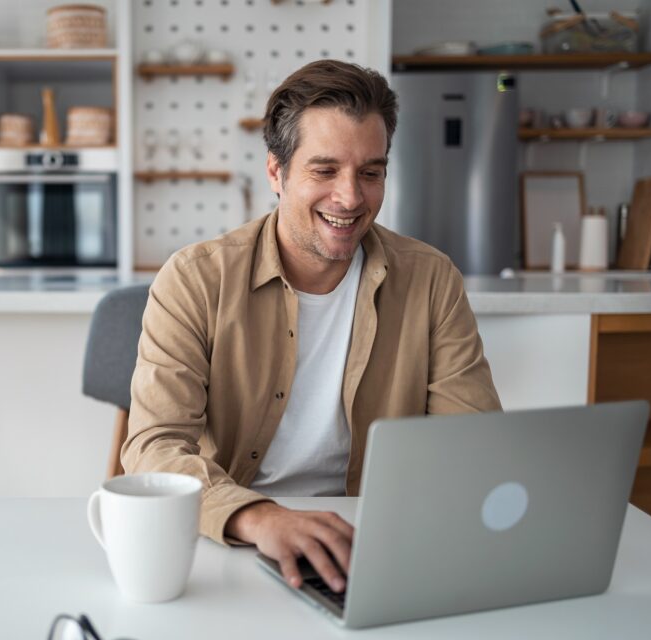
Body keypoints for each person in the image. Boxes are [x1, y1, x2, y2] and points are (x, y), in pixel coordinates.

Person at [121, 60, 501, 595]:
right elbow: (155, 446)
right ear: (276, 172)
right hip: (236, 541)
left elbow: (472, 444)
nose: (350, 198)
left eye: (371, 172)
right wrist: (261, 517)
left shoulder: (432, 280)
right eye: (324, 171)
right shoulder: (195, 279)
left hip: (374, 543)